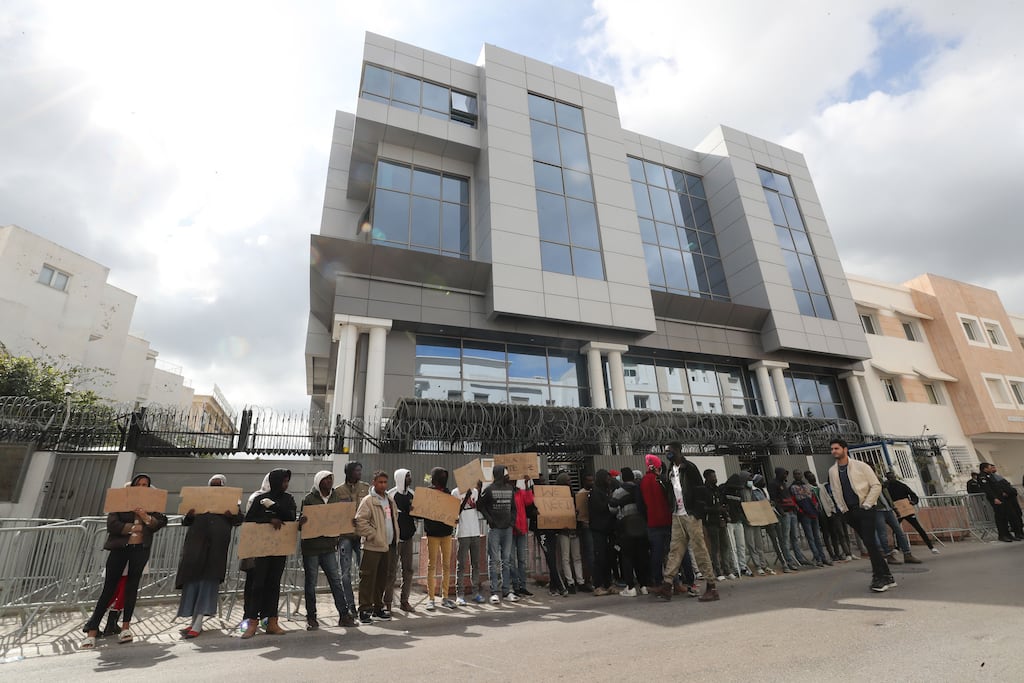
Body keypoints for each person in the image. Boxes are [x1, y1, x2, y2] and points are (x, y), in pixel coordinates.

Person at [81, 473, 168, 649]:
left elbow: (160, 522)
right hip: (120, 550)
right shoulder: (120, 503)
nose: (142, 488)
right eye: (139, 484)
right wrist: (134, 527)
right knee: (109, 588)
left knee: (131, 588)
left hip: (140, 551)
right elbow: (112, 524)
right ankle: (92, 630)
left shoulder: (152, 506)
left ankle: (126, 627)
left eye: (146, 485)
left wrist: (145, 517)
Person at [175, 474, 243, 639]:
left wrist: (230, 515)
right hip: (195, 548)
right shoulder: (199, 499)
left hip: (215, 550)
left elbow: (240, 519)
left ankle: (198, 624)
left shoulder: (231, 501)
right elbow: (186, 520)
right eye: (213, 485)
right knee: (193, 582)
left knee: (207, 583)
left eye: (219, 485)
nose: (215, 488)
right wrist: (190, 514)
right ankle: (193, 622)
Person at [827, 439, 895, 593]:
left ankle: (879, 578)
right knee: (869, 542)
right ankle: (888, 576)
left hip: (865, 509)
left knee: (870, 543)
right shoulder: (832, 471)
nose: (833, 452)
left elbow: (876, 485)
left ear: (845, 449)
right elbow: (836, 491)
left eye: (836, 448)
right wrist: (843, 509)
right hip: (849, 512)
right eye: (832, 449)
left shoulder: (860, 466)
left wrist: (867, 504)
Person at [655, 442, 718, 602]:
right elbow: (673, 490)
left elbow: (700, 490)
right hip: (677, 514)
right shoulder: (670, 469)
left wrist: (697, 512)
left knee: (699, 549)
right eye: (666, 450)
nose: (667, 452)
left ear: (678, 450)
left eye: (669, 450)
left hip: (690, 514)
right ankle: (667, 584)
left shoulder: (689, 467)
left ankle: (711, 586)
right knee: (675, 549)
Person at [298, 471, 359, 631]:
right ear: (318, 482)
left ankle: (343, 615)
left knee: (335, 581)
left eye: (331, 478)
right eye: (325, 479)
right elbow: (302, 523)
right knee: (310, 584)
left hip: (329, 547)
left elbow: (340, 519)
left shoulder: (335, 498)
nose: (329, 481)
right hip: (311, 548)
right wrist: (301, 523)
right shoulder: (309, 499)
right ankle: (311, 617)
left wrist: (349, 522)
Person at [241, 468, 297, 638]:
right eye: (283, 481)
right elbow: (249, 520)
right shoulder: (259, 499)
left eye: (287, 481)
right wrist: (268, 519)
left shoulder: (288, 499)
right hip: (261, 549)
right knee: (257, 585)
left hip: (279, 549)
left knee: (274, 584)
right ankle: (252, 622)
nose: (285, 484)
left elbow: (290, 517)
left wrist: (274, 508)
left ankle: (272, 622)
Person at [354, 470, 398, 624]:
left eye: (385, 482)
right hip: (372, 547)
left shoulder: (389, 500)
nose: (383, 485)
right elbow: (360, 521)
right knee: (367, 579)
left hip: (387, 546)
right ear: (374, 483)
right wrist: (374, 535)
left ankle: (378, 608)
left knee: (381, 579)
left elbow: (393, 519)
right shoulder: (368, 501)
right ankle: (365, 609)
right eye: (380, 482)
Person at [478, 464, 517, 604]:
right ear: (499, 474)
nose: (507, 476)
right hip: (495, 530)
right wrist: (490, 519)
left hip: (507, 529)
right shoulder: (489, 490)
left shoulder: (510, 489)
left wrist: (512, 522)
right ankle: (494, 591)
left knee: (506, 561)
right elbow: (480, 505)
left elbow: (514, 508)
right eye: (505, 473)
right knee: (494, 561)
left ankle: (506, 591)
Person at [335, 461, 370, 617]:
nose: (359, 473)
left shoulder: (366, 488)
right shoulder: (338, 491)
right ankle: (350, 605)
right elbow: (333, 514)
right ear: (348, 472)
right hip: (345, 537)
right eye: (356, 470)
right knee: (345, 573)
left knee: (365, 571)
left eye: (360, 470)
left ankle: (365, 604)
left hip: (362, 535)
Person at [609, 467, 650, 595]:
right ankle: (643, 585)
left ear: (622, 478)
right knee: (641, 556)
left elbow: (612, 509)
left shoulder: (618, 492)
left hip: (626, 528)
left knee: (627, 557)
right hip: (642, 527)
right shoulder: (640, 489)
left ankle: (630, 587)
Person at [424, 467, 457, 610]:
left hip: (446, 533)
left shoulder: (448, 492)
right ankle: (431, 598)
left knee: (446, 566)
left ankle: (445, 597)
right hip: (432, 534)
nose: (444, 477)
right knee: (432, 566)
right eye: (442, 475)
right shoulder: (428, 493)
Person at [882, 472, 939, 555]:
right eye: (889, 478)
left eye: (892, 477)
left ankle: (931, 547)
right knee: (896, 530)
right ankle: (896, 548)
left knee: (919, 528)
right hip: (897, 510)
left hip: (907, 509)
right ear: (887, 478)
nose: (891, 479)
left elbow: (913, 495)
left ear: (895, 476)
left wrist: (913, 501)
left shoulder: (902, 485)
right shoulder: (886, 487)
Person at [640, 455, 672, 589]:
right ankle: (674, 581)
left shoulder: (643, 482)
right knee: (672, 554)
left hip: (652, 522)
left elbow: (642, 504)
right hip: (667, 520)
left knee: (656, 554)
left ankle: (658, 581)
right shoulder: (661, 480)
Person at [389, 468, 417, 612]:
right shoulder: (391, 495)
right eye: (407, 476)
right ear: (400, 478)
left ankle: (404, 601)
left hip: (408, 537)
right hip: (394, 539)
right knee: (391, 571)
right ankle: (387, 602)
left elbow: (418, 514)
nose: (409, 479)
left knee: (408, 570)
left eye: (410, 476)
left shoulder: (413, 494)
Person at [452, 480, 484, 605]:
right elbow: (455, 511)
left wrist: (479, 490)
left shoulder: (475, 491)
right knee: (461, 565)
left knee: (475, 564)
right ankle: (460, 594)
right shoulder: (455, 492)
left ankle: (475, 592)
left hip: (475, 531)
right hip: (463, 532)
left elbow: (479, 507)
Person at [769, 467, 809, 570]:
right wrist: (781, 512)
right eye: (784, 474)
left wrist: (794, 508)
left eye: (786, 474)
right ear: (778, 474)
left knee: (795, 537)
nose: (786, 475)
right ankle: (789, 561)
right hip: (784, 513)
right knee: (785, 539)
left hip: (792, 512)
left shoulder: (784, 484)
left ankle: (799, 558)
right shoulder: (774, 484)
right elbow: (774, 500)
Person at [588, 469, 619, 596]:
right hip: (598, 529)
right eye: (607, 479)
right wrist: (610, 501)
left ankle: (608, 583)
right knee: (600, 557)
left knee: (609, 557)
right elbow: (601, 508)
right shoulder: (595, 493)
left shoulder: (606, 491)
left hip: (608, 529)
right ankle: (598, 585)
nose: (609, 481)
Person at [790, 470, 831, 567]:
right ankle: (818, 558)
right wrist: (800, 511)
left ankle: (823, 557)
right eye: (796, 474)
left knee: (817, 537)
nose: (798, 475)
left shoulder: (806, 486)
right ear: (794, 476)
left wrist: (815, 506)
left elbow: (813, 497)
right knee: (811, 538)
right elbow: (793, 502)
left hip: (813, 514)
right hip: (804, 515)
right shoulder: (792, 488)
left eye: (799, 473)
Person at [807, 472, 850, 562]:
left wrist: (832, 509)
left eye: (813, 476)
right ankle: (831, 554)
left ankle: (837, 553)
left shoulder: (821, 487)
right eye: (810, 477)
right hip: (821, 514)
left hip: (829, 512)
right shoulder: (809, 489)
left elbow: (828, 498)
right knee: (826, 535)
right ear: (807, 479)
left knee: (834, 533)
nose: (812, 478)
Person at [978, 462, 1024, 542]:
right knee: (1000, 517)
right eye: (989, 467)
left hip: (1002, 498)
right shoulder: (982, 476)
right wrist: (994, 498)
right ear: (985, 468)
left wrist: (1003, 493)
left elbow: (997, 486)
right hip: (996, 499)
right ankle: (1002, 535)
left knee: (1006, 516)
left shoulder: (990, 475)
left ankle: (1008, 534)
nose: (991, 468)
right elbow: (988, 489)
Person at [554, 472, 584, 593]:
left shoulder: (572, 495)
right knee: (566, 557)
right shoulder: (558, 496)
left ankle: (579, 581)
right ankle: (570, 582)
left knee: (576, 557)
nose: (570, 483)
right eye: (567, 481)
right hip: (564, 530)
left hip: (573, 528)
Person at [752, 474, 787, 571]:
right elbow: (758, 504)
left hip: (774, 514)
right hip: (766, 518)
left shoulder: (765, 490)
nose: (764, 481)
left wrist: (771, 503)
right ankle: (784, 563)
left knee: (781, 540)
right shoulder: (754, 492)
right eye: (762, 480)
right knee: (775, 541)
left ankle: (786, 559)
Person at [702, 469, 733, 580]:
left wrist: (725, 512)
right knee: (715, 547)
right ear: (707, 478)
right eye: (713, 476)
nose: (715, 478)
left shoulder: (718, 490)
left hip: (721, 521)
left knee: (725, 545)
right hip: (711, 522)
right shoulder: (704, 490)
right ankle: (718, 571)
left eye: (715, 476)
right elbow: (703, 508)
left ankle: (727, 569)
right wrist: (716, 509)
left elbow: (722, 502)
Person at [511, 476, 537, 598]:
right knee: (511, 560)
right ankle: (515, 586)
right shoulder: (507, 493)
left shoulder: (520, 492)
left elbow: (529, 501)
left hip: (522, 529)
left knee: (521, 559)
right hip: (511, 530)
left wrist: (527, 484)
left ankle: (523, 586)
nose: (514, 481)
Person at [574, 473, 594, 591]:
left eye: (592, 480)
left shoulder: (595, 492)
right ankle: (591, 578)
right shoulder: (580, 494)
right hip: (586, 526)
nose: (591, 482)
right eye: (588, 480)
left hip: (595, 526)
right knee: (589, 553)